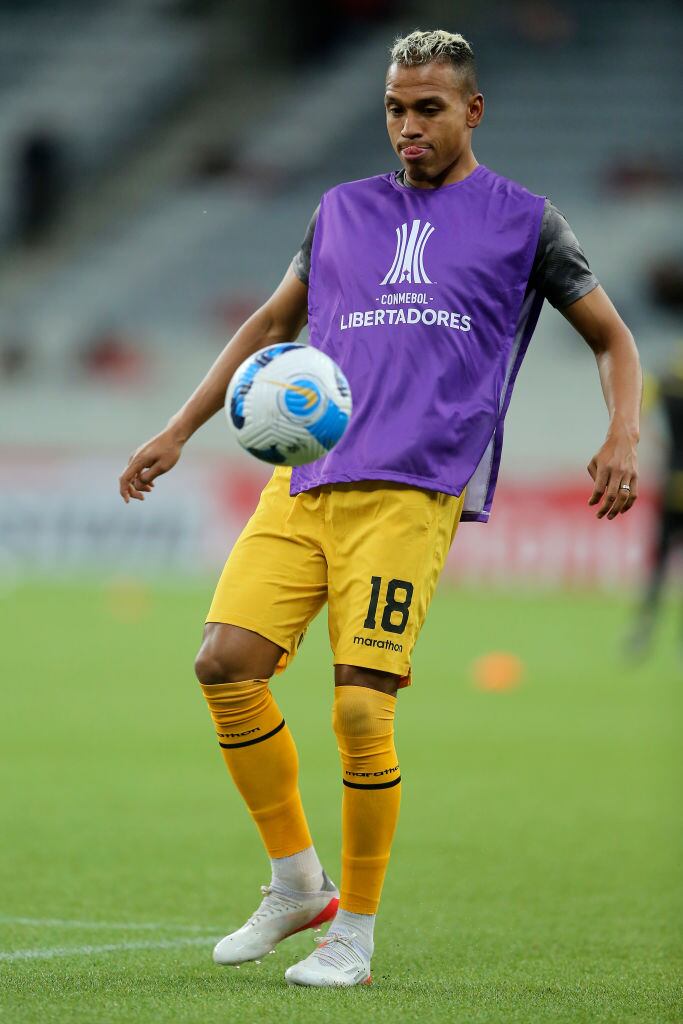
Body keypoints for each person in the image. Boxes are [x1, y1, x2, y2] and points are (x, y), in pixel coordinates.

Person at [119, 29, 642, 987]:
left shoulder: (525, 221)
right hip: (306, 478)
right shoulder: (340, 212)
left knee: (361, 711)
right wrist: (179, 427)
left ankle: (352, 933)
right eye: (396, 108)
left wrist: (621, 433)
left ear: (471, 111)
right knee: (223, 664)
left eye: (428, 108)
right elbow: (272, 324)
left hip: (409, 495)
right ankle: (295, 883)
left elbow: (612, 337)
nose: (408, 126)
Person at [625, 349, 683, 658]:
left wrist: (660, 449)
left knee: (659, 565)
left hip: (671, 481)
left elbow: (640, 405)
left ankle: (642, 634)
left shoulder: (668, 378)